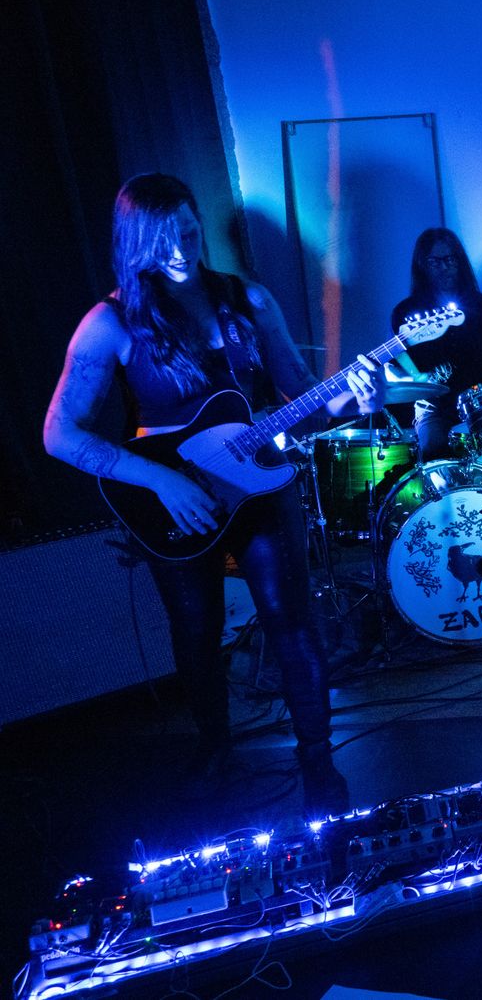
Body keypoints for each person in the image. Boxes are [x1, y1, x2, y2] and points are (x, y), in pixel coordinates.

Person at [42, 173, 383, 815]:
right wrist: (160, 478)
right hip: (174, 498)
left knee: (292, 621)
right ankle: (214, 748)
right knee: (196, 632)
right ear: (134, 244)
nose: (180, 250)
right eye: (163, 240)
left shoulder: (247, 299)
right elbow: (59, 433)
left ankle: (319, 763)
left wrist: (350, 402)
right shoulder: (109, 323)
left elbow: (303, 398)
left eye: (190, 233)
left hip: (260, 484)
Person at [390, 228, 482, 460]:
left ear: (460, 261)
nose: (444, 267)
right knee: (434, 450)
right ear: (422, 265)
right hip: (434, 407)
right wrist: (414, 378)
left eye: (450, 259)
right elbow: (397, 362)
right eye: (434, 262)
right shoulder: (406, 312)